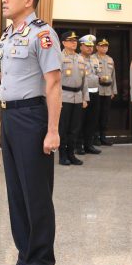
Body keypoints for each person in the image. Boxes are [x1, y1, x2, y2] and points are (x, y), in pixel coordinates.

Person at [0, 0, 61, 265]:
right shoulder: (8, 35)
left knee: (36, 195)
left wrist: (52, 130)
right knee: (17, 194)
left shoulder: (42, 34)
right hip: (9, 117)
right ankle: (24, 260)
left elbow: (54, 84)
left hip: (32, 117)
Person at [58, 31, 87, 166]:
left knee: (75, 128)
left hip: (78, 97)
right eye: (70, 40)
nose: (74, 42)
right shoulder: (59, 57)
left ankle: (71, 154)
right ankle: (62, 155)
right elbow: (55, 81)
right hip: (64, 96)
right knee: (63, 128)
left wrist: (85, 98)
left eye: (75, 40)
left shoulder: (80, 58)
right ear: (64, 43)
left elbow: (84, 80)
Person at [78, 34, 102, 155]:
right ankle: (78, 145)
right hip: (83, 94)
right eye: (87, 46)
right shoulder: (78, 59)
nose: (89, 48)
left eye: (91, 46)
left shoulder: (95, 59)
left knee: (92, 120)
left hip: (95, 92)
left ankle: (89, 145)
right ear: (81, 46)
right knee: (80, 121)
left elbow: (97, 74)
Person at [95, 38, 116, 146]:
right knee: (96, 114)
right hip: (97, 90)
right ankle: (95, 137)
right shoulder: (93, 58)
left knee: (105, 115)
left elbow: (113, 76)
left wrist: (113, 90)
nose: (104, 48)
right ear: (97, 47)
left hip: (107, 91)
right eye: (102, 46)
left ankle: (103, 137)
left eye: (106, 46)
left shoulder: (110, 59)